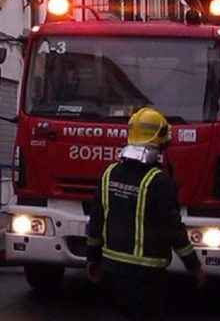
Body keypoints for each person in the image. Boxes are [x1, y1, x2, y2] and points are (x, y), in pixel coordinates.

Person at [86, 107, 207, 320]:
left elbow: (95, 223)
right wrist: (194, 267)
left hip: (111, 270)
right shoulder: (160, 182)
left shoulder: (108, 174)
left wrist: (93, 259)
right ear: (161, 144)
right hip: (147, 276)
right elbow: (174, 232)